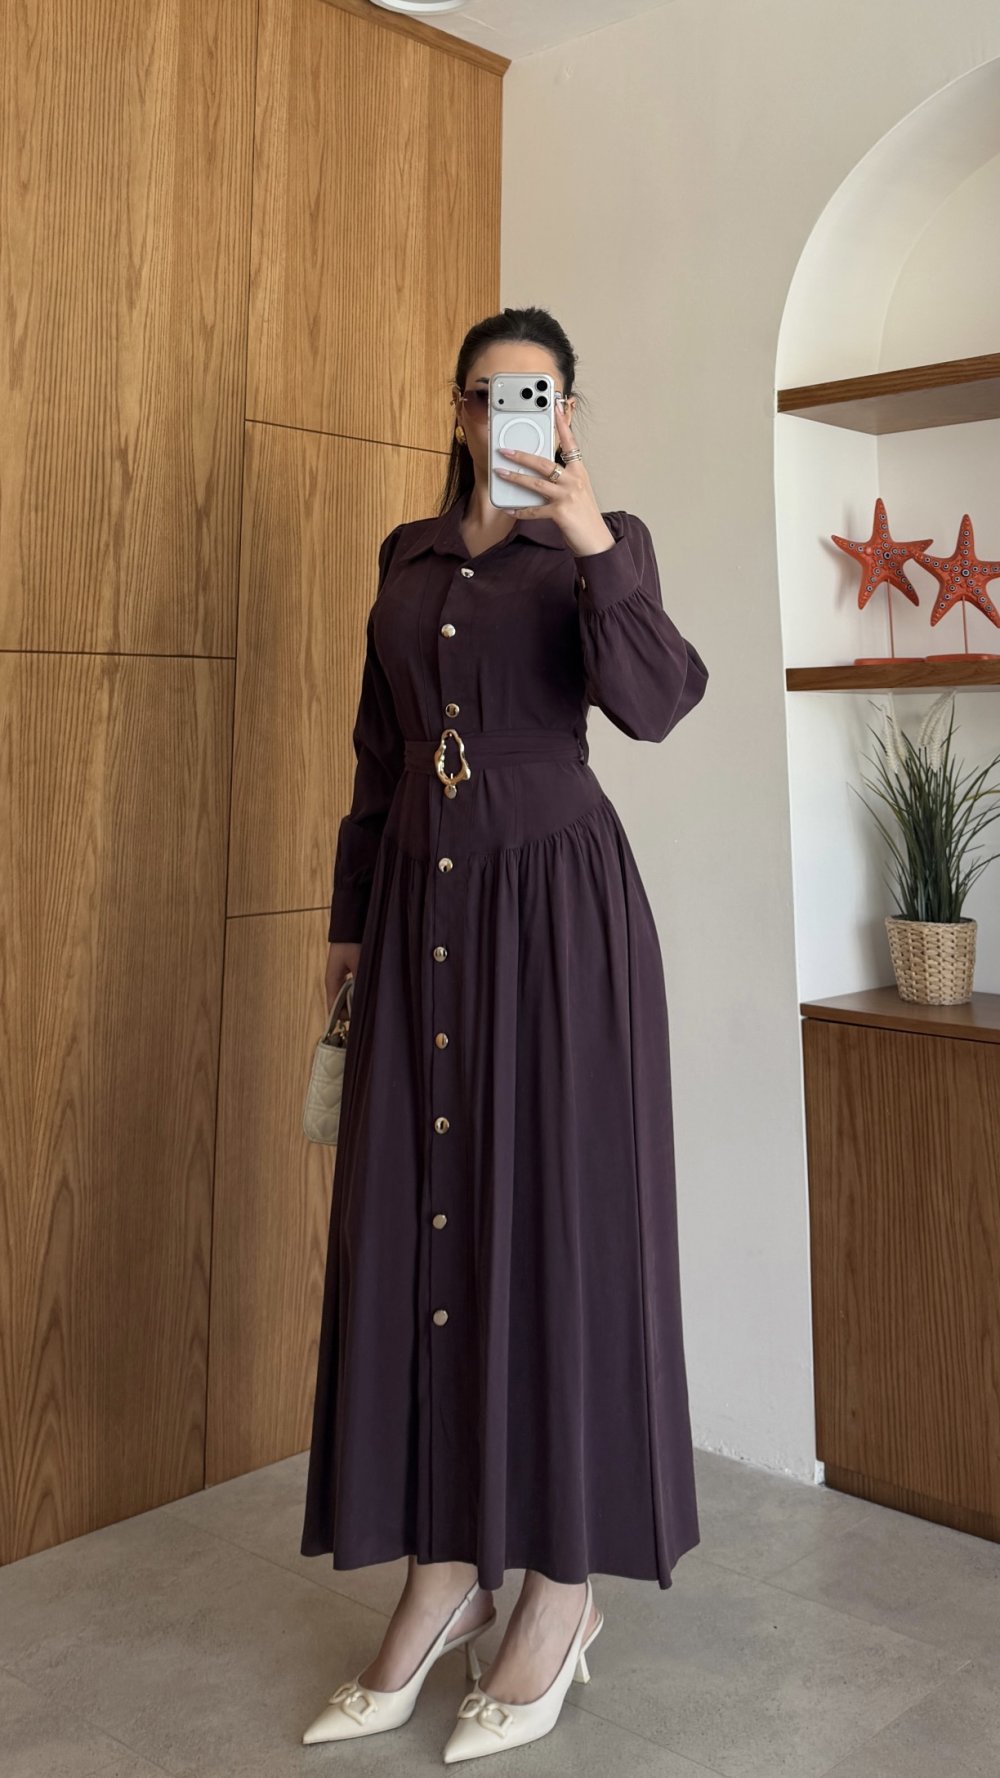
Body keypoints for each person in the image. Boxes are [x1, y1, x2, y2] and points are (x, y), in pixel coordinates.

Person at [299, 306, 709, 1761]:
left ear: (566, 412)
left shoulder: (606, 545)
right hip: (423, 910)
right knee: (423, 1229)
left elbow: (657, 703)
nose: (505, 414)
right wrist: (350, 922)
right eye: (485, 395)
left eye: (533, 394)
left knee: (555, 1231)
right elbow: (378, 756)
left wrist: (591, 539)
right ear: (460, 413)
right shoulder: (407, 559)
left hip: (557, 922)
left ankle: (562, 1588)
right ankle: (447, 1566)